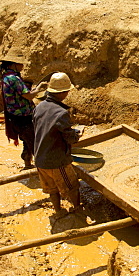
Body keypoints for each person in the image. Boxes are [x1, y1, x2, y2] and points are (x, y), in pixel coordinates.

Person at [33, 72, 82, 217]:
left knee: (51, 188)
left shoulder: (39, 107)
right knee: (72, 186)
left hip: (40, 158)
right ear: (62, 93)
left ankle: (58, 211)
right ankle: (77, 209)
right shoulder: (61, 113)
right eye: (67, 91)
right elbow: (69, 138)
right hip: (57, 161)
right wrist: (76, 135)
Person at [0, 54, 41, 169]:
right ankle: (43, 173)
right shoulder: (14, 78)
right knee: (35, 144)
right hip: (24, 117)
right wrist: (39, 88)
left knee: (27, 142)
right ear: (14, 65)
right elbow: (29, 96)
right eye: (20, 64)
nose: (22, 66)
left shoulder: (5, 77)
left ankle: (28, 165)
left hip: (15, 117)